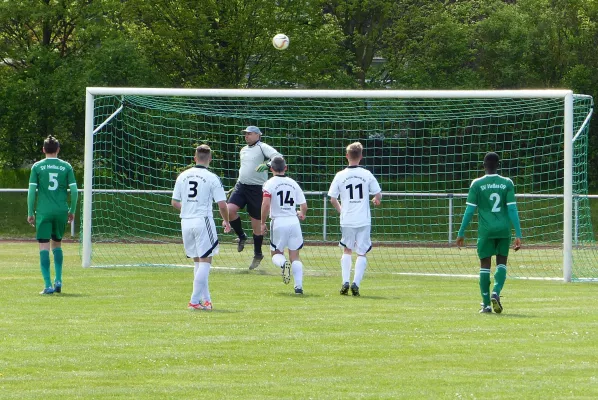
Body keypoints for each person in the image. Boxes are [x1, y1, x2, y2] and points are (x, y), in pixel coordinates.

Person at [456, 152, 522, 314]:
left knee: (485, 265)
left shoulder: (477, 184)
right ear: (498, 165)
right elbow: (512, 209)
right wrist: (518, 234)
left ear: (484, 165)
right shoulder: (507, 183)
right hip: (503, 229)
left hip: (485, 231)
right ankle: (496, 292)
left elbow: (470, 210)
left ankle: (486, 304)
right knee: (501, 263)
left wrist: (461, 232)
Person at [171, 144, 231, 311]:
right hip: (202, 220)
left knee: (198, 261)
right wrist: (226, 221)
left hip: (186, 221)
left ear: (195, 157)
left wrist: (188, 208)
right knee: (206, 260)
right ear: (210, 159)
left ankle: (206, 300)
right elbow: (222, 204)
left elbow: (175, 202)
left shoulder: (182, 176)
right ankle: (194, 301)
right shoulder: (212, 177)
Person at [328, 142, 382, 296]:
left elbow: (332, 198)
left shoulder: (340, 175)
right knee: (362, 252)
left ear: (347, 156)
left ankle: (345, 281)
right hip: (363, 220)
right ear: (361, 157)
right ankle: (355, 283)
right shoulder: (366, 174)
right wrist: (376, 200)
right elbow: (378, 194)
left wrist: (341, 211)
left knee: (347, 249)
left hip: (347, 219)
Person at [27, 135, 78, 295]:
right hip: (61, 210)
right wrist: (72, 210)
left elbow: (31, 192)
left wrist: (30, 211)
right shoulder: (66, 166)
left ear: (43, 150)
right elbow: (75, 191)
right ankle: (59, 280)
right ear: (58, 149)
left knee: (43, 246)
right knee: (57, 244)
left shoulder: (37, 167)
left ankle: (48, 285)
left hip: (43, 211)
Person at [227, 125, 282, 270]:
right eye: (245, 134)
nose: (246, 136)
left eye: (249, 134)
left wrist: (268, 164)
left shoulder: (262, 147)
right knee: (228, 210)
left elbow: (278, 156)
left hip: (257, 189)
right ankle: (242, 236)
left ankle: (258, 254)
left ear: (258, 135)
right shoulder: (243, 150)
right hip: (241, 186)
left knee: (256, 225)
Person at [260, 156, 308, 294]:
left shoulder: (269, 184)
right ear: (285, 168)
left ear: (271, 169)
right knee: (295, 256)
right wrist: (302, 214)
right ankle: (298, 287)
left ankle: (283, 264)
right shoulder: (293, 183)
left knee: (276, 253)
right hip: (293, 221)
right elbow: (304, 205)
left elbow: (266, 204)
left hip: (279, 221)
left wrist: (262, 223)